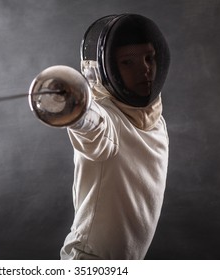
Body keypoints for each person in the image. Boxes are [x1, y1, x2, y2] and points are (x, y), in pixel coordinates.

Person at [60, 13, 171, 259]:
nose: (144, 69)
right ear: (105, 70)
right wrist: (74, 108)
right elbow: (95, 128)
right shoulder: (109, 118)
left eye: (148, 58)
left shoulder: (156, 120)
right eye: (127, 63)